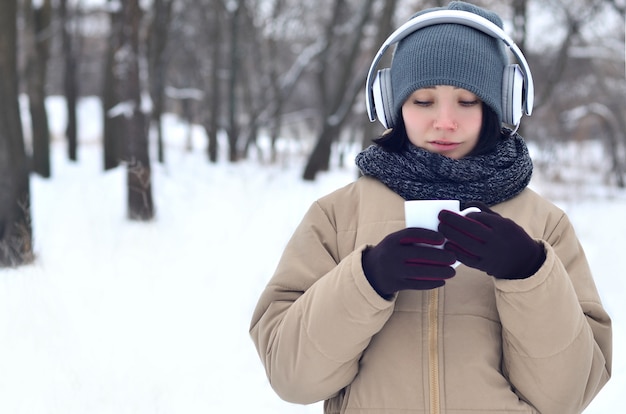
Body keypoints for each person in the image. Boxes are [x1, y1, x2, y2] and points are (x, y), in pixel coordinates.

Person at [249, 1, 612, 413]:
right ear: (391, 104)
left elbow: (566, 396)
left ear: (501, 105)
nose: (445, 121)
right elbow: (292, 377)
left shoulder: (545, 226)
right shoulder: (335, 218)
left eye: (467, 101)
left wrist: (529, 272)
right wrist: (366, 280)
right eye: (423, 101)